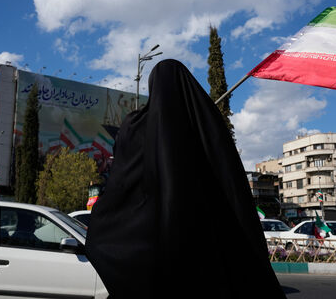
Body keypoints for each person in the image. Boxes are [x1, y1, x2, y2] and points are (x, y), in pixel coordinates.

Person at [86, 59, 285, 298]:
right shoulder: (204, 124)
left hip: (149, 244)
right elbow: (229, 184)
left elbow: (120, 184)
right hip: (205, 244)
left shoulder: (134, 126)